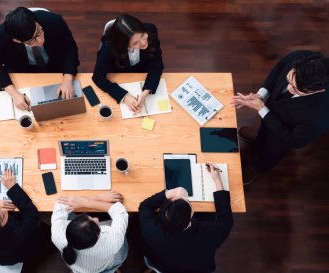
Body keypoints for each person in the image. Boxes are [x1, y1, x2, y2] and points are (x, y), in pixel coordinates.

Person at [231, 50, 329, 183]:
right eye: (289, 79)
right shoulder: (302, 57)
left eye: (296, 89)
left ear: (318, 90)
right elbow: (279, 67)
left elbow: (294, 140)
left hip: (283, 135)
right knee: (264, 131)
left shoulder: (321, 113)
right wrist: (262, 95)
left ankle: (259, 167)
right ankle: (260, 141)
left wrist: (262, 109)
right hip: (272, 111)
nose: (288, 88)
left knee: (272, 151)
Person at [138, 163, 233, 273]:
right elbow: (226, 220)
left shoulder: (152, 231)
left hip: (163, 266)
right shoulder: (210, 234)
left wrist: (169, 193)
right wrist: (217, 180)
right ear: (192, 213)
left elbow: (145, 206)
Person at [0, 7, 80, 110]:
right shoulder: (1, 35)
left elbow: (70, 48)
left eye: (39, 31)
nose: (40, 40)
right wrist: (13, 93)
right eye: (32, 40)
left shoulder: (54, 21)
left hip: (55, 65)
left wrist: (67, 79)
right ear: (17, 41)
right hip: (24, 70)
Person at [92, 14, 164, 114]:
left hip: (142, 71)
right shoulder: (108, 48)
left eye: (143, 35)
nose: (143, 43)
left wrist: (146, 91)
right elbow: (98, 77)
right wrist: (124, 97)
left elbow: (157, 64)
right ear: (124, 44)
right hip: (120, 72)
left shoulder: (150, 29)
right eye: (135, 43)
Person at [51, 191, 128, 273]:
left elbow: (61, 202)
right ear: (97, 237)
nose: (96, 219)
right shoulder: (113, 242)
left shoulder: (58, 236)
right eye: (96, 224)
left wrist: (94, 198)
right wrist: (88, 202)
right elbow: (119, 210)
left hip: (79, 269)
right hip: (108, 266)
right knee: (118, 228)